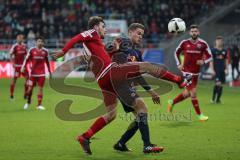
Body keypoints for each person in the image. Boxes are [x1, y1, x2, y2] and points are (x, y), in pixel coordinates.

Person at [52, 16, 190, 155]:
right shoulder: (93, 34)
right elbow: (78, 37)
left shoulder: (91, 45)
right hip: (111, 72)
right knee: (147, 67)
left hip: (103, 81)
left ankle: (86, 136)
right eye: (103, 26)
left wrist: (111, 50)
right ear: (95, 27)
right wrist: (63, 51)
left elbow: (104, 52)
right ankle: (179, 80)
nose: (104, 29)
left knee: (112, 114)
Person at [107, 23, 160, 152]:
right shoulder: (123, 47)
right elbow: (109, 51)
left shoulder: (137, 53)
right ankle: (147, 145)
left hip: (128, 88)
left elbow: (138, 75)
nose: (140, 36)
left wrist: (150, 91)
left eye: (142, 34)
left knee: (139, 117)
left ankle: (120, 144)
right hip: (121, 86)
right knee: (143, 109)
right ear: (130, 32)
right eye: (138, 33)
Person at [167, 24, 212, 121]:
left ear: (198, 32)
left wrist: (203, 61)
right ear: (189, 33)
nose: (194, 33)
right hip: (187, 72)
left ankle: (172, 102)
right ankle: (200, 116)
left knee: (186, 94)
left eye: (195, 31)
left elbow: (210, 56)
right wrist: (179, 64)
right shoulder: (184, 43)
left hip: (196, 73)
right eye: (192, 31)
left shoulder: (203, 44)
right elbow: (176, 52)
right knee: (193, 93)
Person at [21, 37, 51, 110]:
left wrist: (49, 72)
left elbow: (47, 62)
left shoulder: (45, 51)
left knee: (40, 89)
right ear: (36, 42)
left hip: (42, 74)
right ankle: (28, 102)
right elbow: (26, 59)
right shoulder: (32, 50)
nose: (40, 43)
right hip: (33, 74)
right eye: (38, 41)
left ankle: (39, 105)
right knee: (30, 89)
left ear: (43, 43)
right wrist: (23, 67)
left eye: (41, 41)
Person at [9, 34, 29, 100]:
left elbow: (27, 55)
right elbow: (10, 54)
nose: (20, 39)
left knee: (27, 80)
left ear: (23, 39)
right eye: (19, 38)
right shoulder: (15, 46)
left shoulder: (24, 46)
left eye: (21, 38)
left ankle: (25, 94)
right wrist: (12, 63)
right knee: (14, 80)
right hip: (17, 66)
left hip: (23, 66)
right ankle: (11, 95)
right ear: (17, 39)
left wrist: (27, 63)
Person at [211, 36, 228, 103]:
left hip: (222, 70)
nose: (219, 42)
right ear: (216, 42)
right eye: (218, 41)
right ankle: (213, 99)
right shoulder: (213, 50)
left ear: (222, 42)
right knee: (218, 83)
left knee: (221, 85)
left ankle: (217, 100)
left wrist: (227, 69)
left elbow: (226, 60)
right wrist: (212, 70)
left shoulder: (224, 51)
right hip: (216, 69)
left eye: (220, 41)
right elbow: (211, 61)